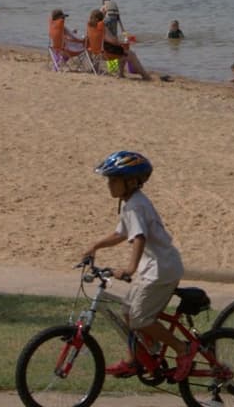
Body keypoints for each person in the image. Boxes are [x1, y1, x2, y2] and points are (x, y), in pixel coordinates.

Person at [80, 151, 199, 380]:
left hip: (161, 270)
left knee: (140, 318)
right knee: (127, 311)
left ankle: (183, 349)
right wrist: (95, 245)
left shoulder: (135, 206)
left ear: (131, 182)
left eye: (114, 180)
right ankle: (136, 358)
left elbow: (139, 237)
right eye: (109, 180)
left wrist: (129, 269)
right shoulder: (130, 204)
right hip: (152, 268)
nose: (109, 185)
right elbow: (121, 233)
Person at [103, 1, 149, 80]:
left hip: (99, 51)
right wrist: (121, 42)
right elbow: (113, 40)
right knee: (128, 53)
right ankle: (145, 76)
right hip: (107, 53)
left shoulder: (94, 26)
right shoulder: (104, 26)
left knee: (123, 50)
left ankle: (121, 74)